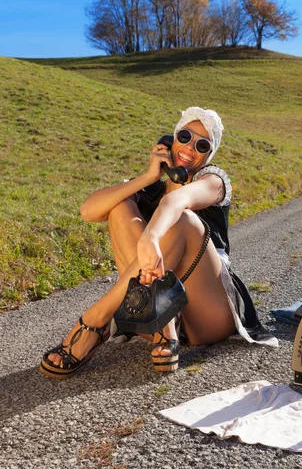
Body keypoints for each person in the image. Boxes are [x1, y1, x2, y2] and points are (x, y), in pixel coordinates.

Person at [40, 107, 277, 379]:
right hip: (149, 317)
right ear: (171, 139)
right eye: (185, 136)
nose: (190, 147)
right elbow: (88, 211)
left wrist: (151, 237)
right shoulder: (151, 187)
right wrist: (149, 177)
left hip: (207, 313)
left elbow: (177, 202)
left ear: (209, 155)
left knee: (183, 219)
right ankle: (164, 326)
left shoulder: (213, 180)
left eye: (202, 144)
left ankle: (95, 321)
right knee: (119, 207)